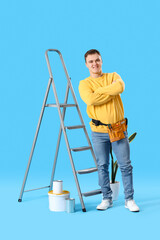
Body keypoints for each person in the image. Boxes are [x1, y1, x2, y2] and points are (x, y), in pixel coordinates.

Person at [78, 49, 140, 212]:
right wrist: (109, 91)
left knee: (125, 165)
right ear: (86, 64)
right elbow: (90, 99)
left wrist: (100, 93)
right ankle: (107, 198)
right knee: (102, 165)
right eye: (91, 61)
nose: (94, 64)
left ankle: (129, 199)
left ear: (102, 61)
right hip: (98, 132)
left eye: (97, 60)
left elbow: (120, 87)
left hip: (117, 129)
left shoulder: (113, 76)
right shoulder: (84, 84)